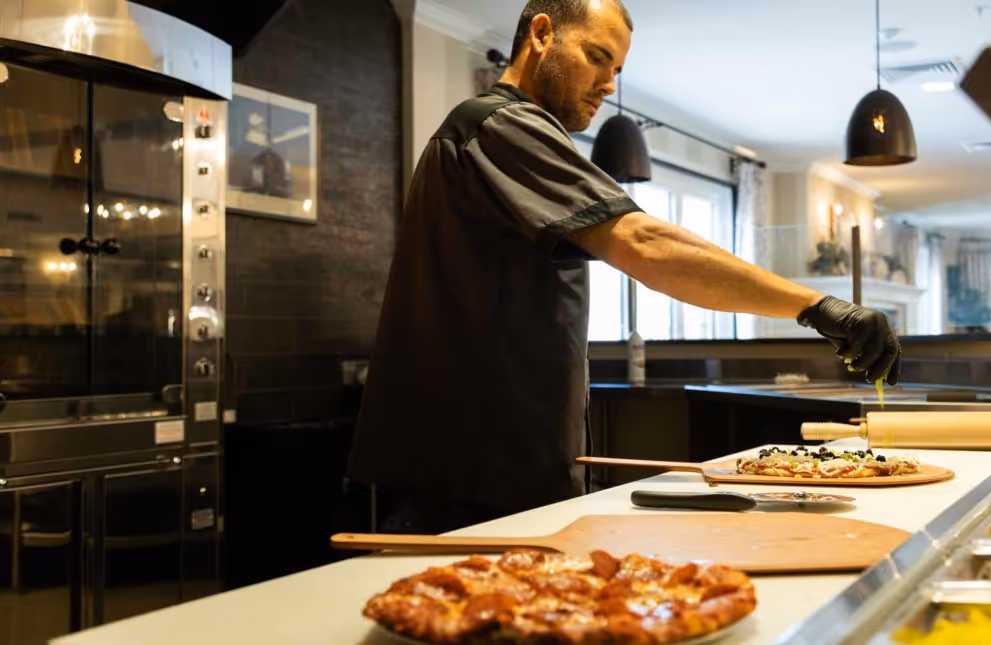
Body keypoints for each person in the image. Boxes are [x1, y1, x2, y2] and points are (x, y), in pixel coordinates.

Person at [348, 0, 901, 534]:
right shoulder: (500, 125)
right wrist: (815, 305)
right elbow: (646, 243)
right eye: (596, 57)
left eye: (617, 69)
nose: (609, 84)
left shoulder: (499, 133)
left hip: (483, 464)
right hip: (472, 471)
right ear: (541, 34)